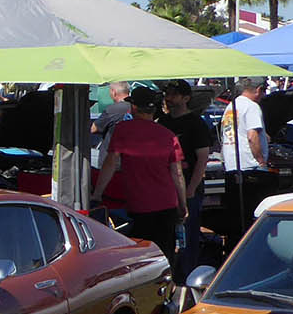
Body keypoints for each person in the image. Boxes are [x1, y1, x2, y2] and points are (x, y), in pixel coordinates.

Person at [94, 85, 188, 264]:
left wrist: (97, 193)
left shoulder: (123, 130)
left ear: (134, 107)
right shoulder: (168, 135)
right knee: (165, 256)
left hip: (138, 205)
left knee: (141, 259)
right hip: (167, 204)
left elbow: (110, 163)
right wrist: (182, 205)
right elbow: (177, 173)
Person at [159, 81, 215, 271]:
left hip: (189, 189)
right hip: (165, 190)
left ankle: (187, 276)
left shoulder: (196, 123)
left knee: (188, 236)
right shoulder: (163, 122)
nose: (169, 98)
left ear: (186, 98)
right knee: (167, 236)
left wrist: (190, 189)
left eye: (174, 94)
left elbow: (202, 159)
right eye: (168, 93)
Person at [218, 76, 270, 239]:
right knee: (252, 218)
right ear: (258, 89)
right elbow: (252, 135)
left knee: (235, 218)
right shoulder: (252, 107)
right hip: (249, 167)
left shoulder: (231, 107)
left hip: (232, 166)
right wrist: (261, 160)